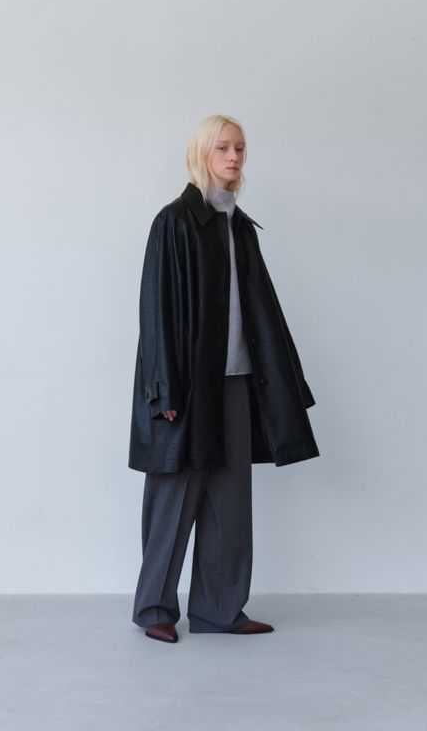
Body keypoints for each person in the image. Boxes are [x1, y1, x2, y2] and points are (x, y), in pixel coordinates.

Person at [128, 114, 320, 643]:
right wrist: (162, 390)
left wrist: (285, 383)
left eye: (239, 148)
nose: (233, 157)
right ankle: (154, 608)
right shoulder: (174, 221)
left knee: (230, 502)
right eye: (222, 148)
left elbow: (262, 311)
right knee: (173, 499)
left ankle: (219, 609)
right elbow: (156, 311)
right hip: (188, 388)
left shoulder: (239, 226)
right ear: (200, 153)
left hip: (237, 381)